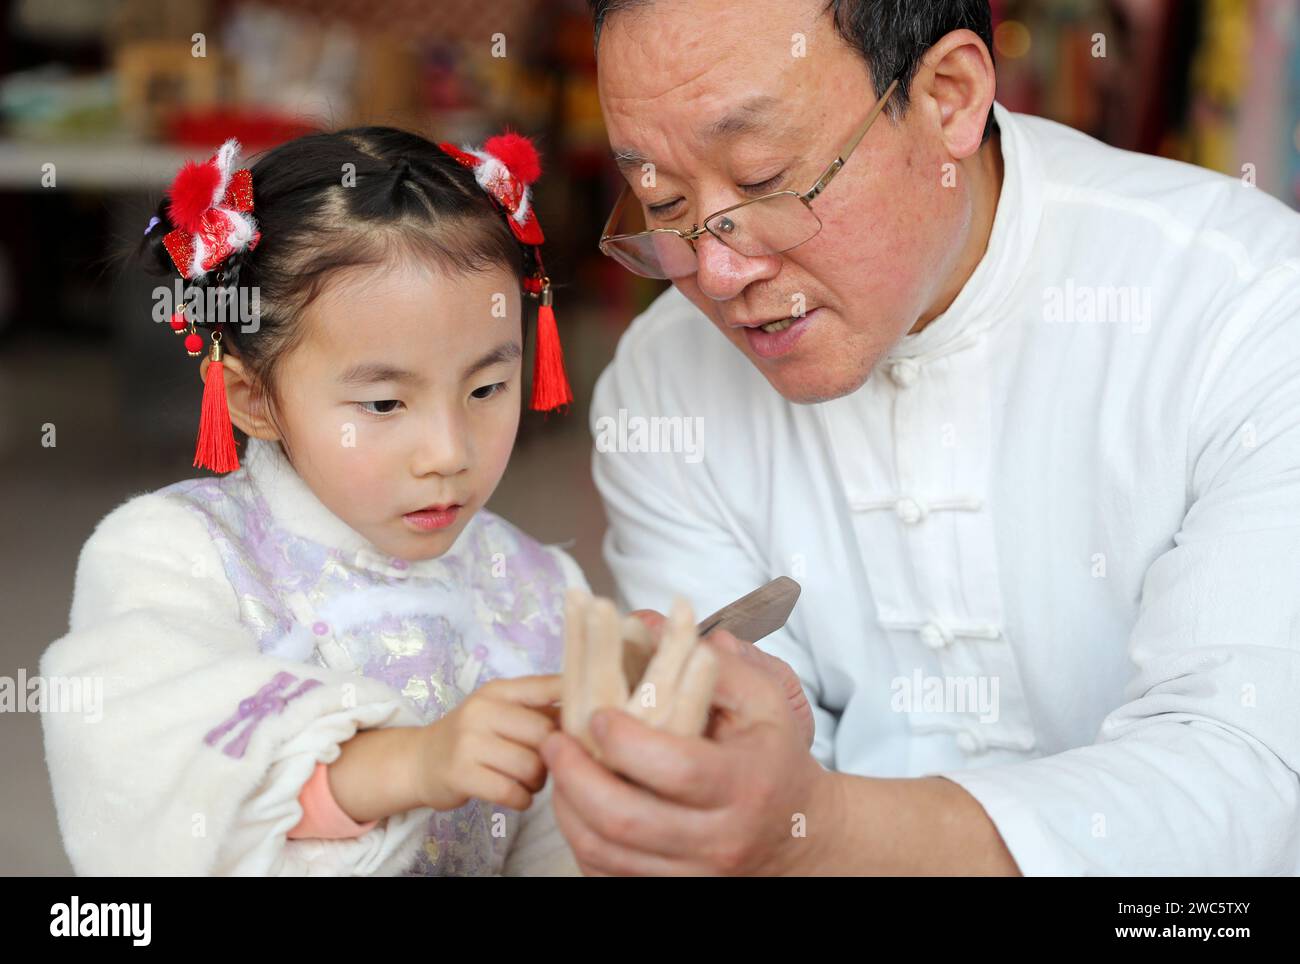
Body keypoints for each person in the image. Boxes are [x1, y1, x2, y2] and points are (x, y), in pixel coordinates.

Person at [540, 0, 1300, 874]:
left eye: (762, 179)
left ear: (949, 96)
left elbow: (1249, 784)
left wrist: (820, 833)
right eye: (664, 203)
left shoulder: (1245, 308)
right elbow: (744, 784)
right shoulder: (661, 383)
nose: (717, 272)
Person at [40, 127, 583, 875]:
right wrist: (416, 763)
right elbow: (156, 784)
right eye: (386, 404)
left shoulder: (539, 589)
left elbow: (564, 848)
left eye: (487, 388)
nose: (450, 452)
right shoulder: (173, 557)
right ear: (253, 398)